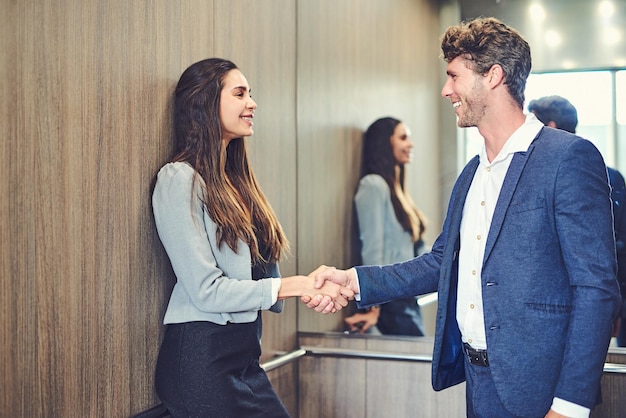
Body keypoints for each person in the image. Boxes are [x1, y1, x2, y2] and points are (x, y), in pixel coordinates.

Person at [305, 17, 621, 418]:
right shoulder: (472, 173)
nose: (445, 90)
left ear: (493, 76)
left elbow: (595, 288)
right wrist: (352, 280)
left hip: (542, 393)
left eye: (454, 75)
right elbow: (439, 263)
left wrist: (570, 405)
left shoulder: (568, 158)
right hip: (477, 382)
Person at [152, 58, 353, 418]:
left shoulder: (238, 183)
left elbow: (261, 276)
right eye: (240, 93)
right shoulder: (177, 179)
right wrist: (294, 286)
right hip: (201, 361)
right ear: (205, 103)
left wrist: (313, 288)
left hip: (244, 357)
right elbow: (206, 290)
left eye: (251, 94)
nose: (252, 103)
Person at [529, 95, 626, 347]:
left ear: (549, 127)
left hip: (576, 307)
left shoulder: (601, 177)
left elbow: (613, 249)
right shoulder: (610, 175)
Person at [344, 117, 427, 336]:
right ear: (384, 143)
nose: (410, 144)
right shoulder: (373, 185)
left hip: (407, 297)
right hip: (390, 302)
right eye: (403, 137)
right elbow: (372, 250)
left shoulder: (398, 190)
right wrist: (373, 308)